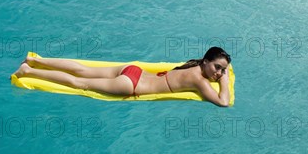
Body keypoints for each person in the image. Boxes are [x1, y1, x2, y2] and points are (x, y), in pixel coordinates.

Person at [12, 46, 231, 106]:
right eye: (217, 68)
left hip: (133, 70)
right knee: (79, 83)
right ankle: (28, 71)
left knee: (82, 69)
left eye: (222, 70)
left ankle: (35, 60)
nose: (219, 73)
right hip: (130, 84)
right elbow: (223, 102)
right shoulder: (199, 80)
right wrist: (224, 80)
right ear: (205, 62)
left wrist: (221, 73)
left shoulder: (190, 65)